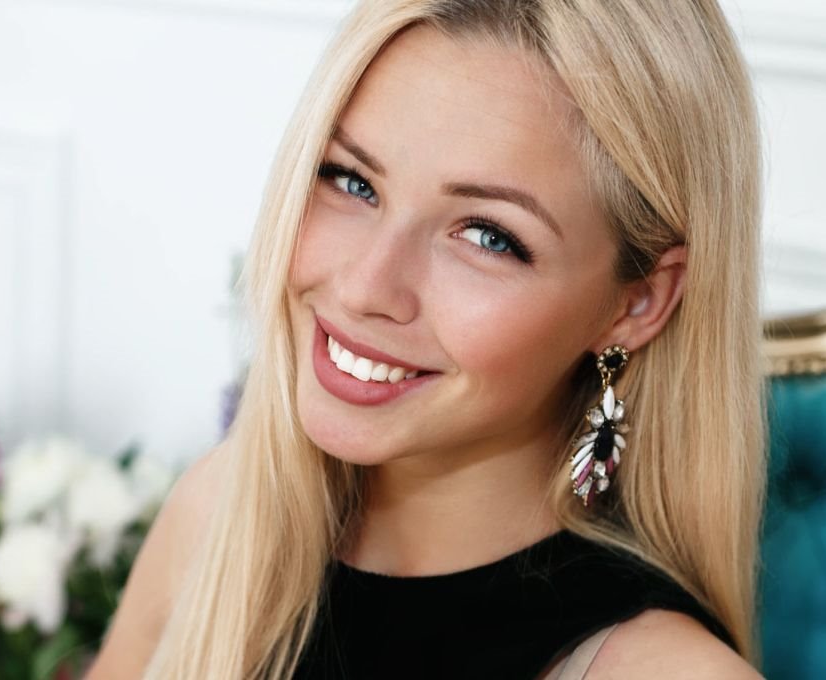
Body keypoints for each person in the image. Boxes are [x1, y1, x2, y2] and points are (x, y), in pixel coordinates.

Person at [87, 0, 765, 678]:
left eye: (487, 237)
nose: (365, 288)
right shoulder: (216, 516)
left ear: (637, 303)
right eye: (351, 181)